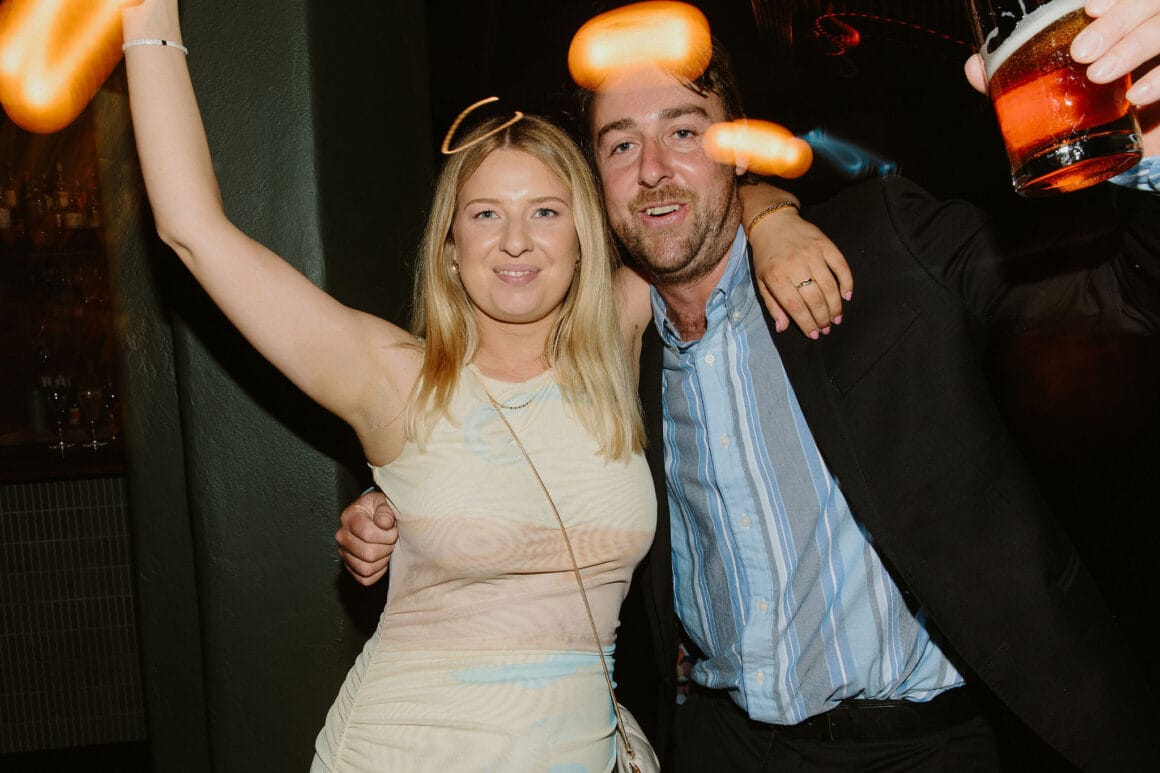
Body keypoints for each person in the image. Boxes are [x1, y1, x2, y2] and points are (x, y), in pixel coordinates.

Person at [338, 0, 1160, 770]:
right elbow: (522, 448)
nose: (653, 170)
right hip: (721, 744)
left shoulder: (879, 246)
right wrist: (408, 507)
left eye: (683, 132)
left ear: (735, 145)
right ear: (596, 179)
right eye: (621, 145)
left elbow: (1121, 299)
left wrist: (1150, 153)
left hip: (932, 743)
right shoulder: (613, 351)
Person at [119, 1, 851, 768]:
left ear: (583, 236)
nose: (515, 241)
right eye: (485, 214)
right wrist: (145, 17)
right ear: (450, 247)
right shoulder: (393, 377)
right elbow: (192, 230)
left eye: (545, 211)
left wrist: (775, 216)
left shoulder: (618, 338)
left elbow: (701, 213)